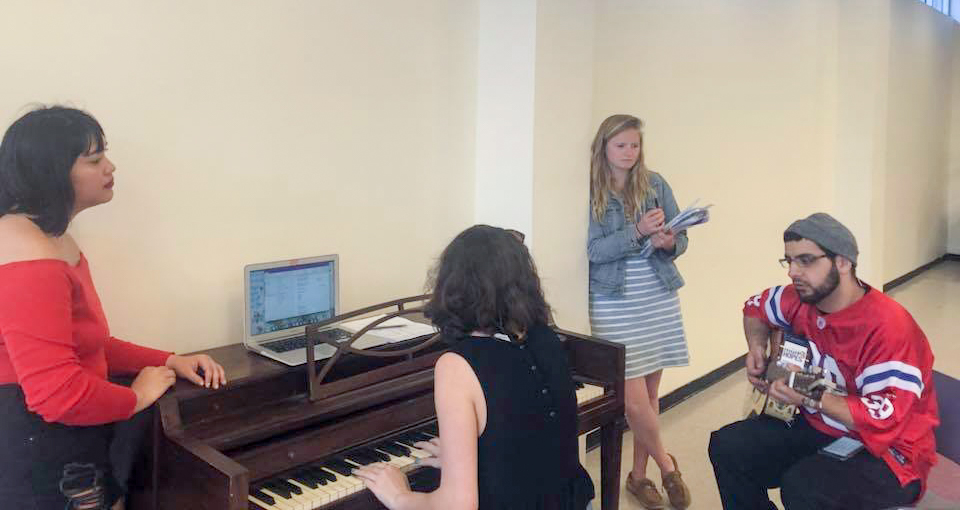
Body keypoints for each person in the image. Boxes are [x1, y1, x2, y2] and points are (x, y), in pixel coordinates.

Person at [0, 105, 227, 510]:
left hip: (72, 436)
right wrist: (135, 398)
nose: (111, 167)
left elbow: (90, 343)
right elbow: (57, 395)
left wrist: (169, 359)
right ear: (51, 172)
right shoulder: (30, 259)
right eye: (94, 159)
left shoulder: (52, 239)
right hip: (42, 447)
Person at [353, 225, 595, 510]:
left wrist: (399, 496)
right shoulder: (545, 338)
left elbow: (459, 505)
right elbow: (532, 436)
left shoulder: (457, 365)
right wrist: (468, 459)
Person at [708, 212, 939, 510]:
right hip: (823, 425)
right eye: (788, 261)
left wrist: (810, 395)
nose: (792, 272)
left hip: (891, 452)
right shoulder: (801, 299)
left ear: (843, 262)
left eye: (805, 260)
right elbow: (755, 307)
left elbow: (884, 417)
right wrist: (756, 346)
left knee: (804, 487)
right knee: (728, 447)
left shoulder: (889, 328)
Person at [586, 114, 692, 509]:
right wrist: (638, 232)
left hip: (657, 294)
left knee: (649, 393)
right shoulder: (593, 191)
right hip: (614, 300)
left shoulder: (655, 183)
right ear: (604, 148)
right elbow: (594, 252)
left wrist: (668, 242)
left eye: (635, 145)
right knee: (631, 399)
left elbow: (680, 239)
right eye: (621, 146)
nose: (630, 153)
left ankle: (638, 476)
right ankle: (668, 468)